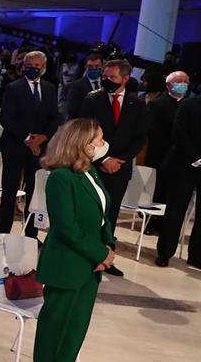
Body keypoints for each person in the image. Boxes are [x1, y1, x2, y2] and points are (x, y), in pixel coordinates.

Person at [29, 119, 115, 362]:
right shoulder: (60, 177)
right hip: (68, 260)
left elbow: (103, 216)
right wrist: (100, 254)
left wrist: (108, 246)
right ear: (82, 143)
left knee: (77, 323)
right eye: (98, 139)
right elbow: (65, 227)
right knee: (56, 321)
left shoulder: (90, 172)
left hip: (91, 262)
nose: (102, 144)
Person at [81, 59, 147, 276]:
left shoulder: (136, 104)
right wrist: (103, 159)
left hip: (120, 168)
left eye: (112, 77)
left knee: (111, 214)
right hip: (93, 165)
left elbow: (139, 138)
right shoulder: (93, 99)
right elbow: (82, 132)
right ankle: (85, 255)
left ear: (126, 78)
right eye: (105, 76)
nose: (107, 81)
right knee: (89, 211)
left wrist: (119, 160)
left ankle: (107, 257)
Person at [0, 50, 59, 238]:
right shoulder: (13, 87)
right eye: (29, 65)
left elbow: (54, 118)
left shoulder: (50, 89)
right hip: (14, 146)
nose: (33, 69)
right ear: (23, 66)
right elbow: (6, 118)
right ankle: (4, 233)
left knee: (34, 192)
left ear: (44, 68)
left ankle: (31, 235)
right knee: (9, 191)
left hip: (39, 148)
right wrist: (28, 139)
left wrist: (42, 138)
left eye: (37, 66)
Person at [156, 88, 201, 268]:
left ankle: (197, 257)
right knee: (175, 211)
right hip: (184, 164)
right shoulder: (188, 104)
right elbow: (179, 133)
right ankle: (165, 253)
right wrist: (197, 158)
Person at [145, 70, 190, 220]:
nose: (183, 85)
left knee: (174, 194)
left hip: (182, 157)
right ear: (168, 85)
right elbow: (152, 130)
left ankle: (166, 222)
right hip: (161, 155)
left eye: (186, 82)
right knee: (157, 191)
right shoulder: (157, 104)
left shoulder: (190, 104)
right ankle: (151, 222)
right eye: (179, 82)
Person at [65, 52, 105, 120]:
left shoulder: (107, 84)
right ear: (85, 68)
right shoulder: (76, 86)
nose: (94, 68)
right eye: (90, 66)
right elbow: (72, 110)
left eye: (97, 66)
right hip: (83, 125)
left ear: (102, 67)